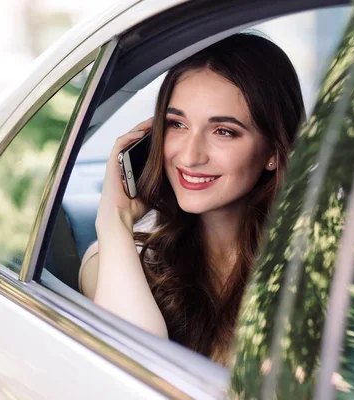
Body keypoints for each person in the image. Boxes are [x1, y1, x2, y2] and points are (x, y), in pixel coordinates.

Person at [79, 33, 305, 365]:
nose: (190, 155)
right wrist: (113, 218)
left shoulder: (314, 264)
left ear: (273, 150)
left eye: (223, 131)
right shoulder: (116, 257)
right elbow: (133, 373)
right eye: (177, 124)